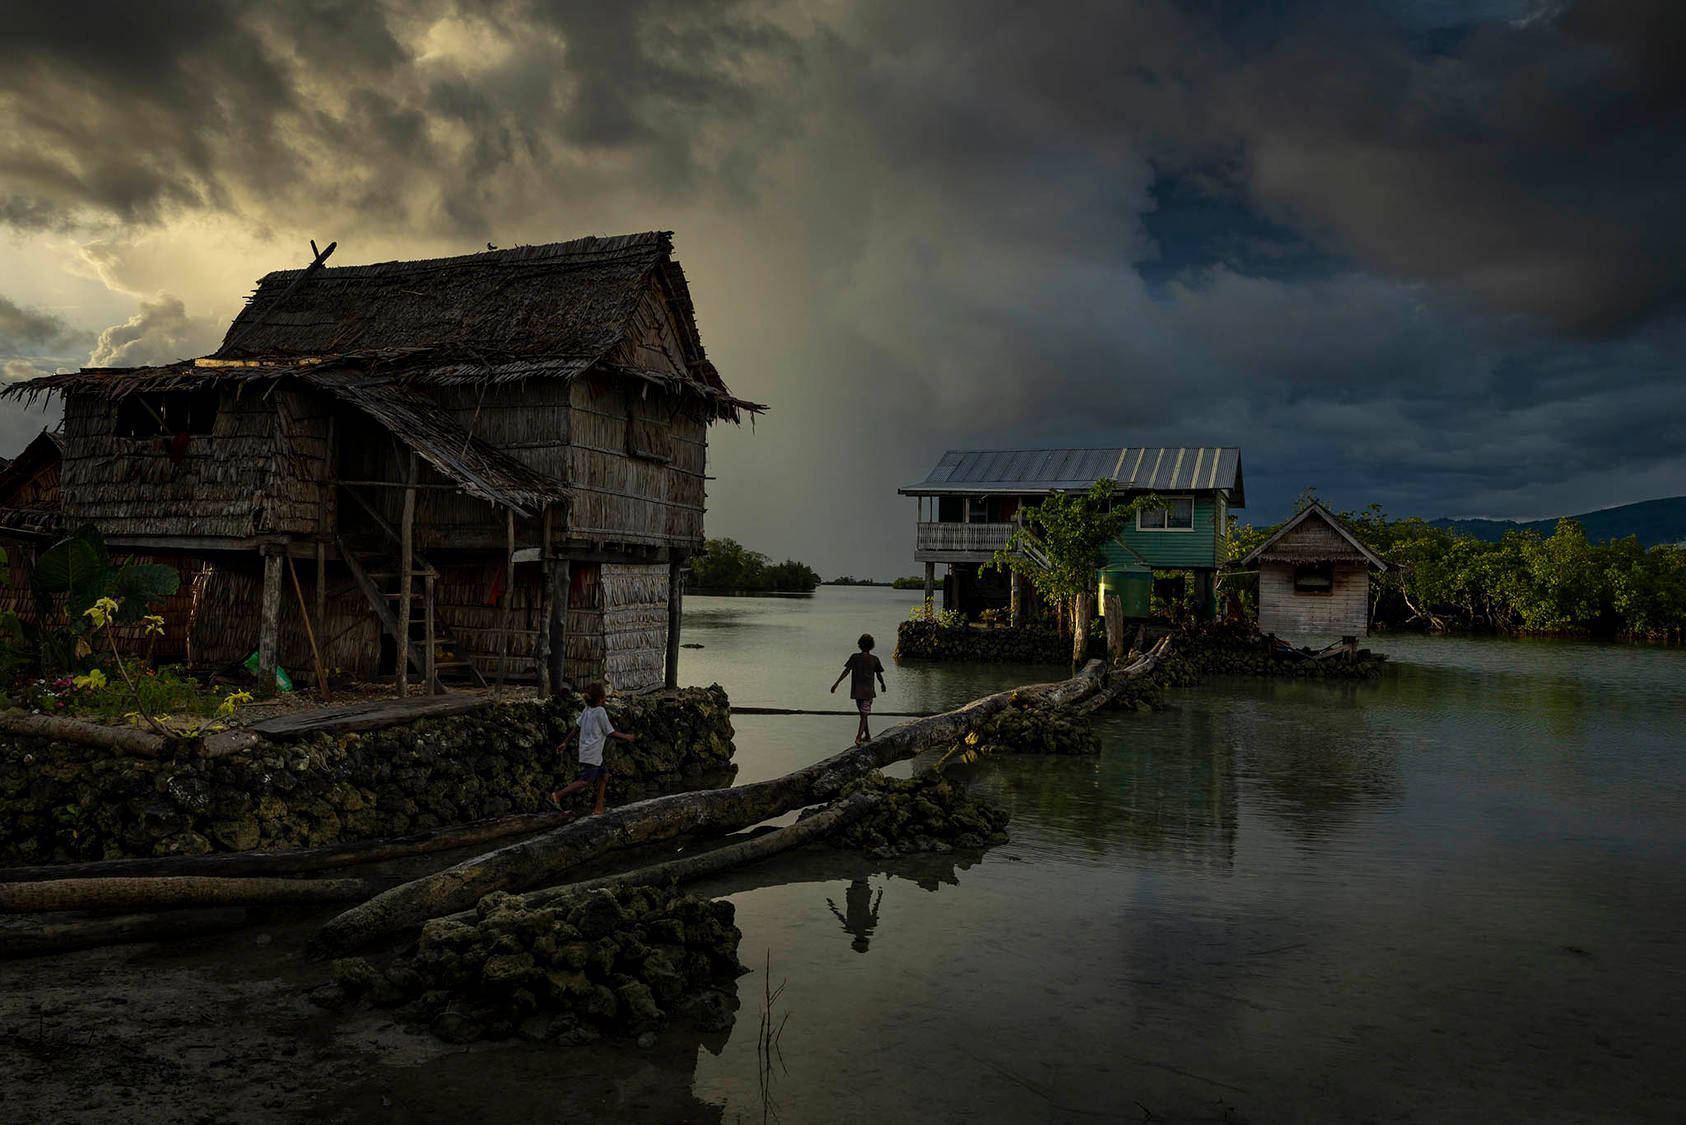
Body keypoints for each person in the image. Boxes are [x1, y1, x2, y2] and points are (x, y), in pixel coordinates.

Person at [550, 682, 636, 816]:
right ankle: (558, 795)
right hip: (592, 754)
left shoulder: (586, 710)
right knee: (585, 780)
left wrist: (565, 743)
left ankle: (599, 808)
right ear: (601, 699)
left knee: (604, 776)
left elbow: (576, 729)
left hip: (591, 753)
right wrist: (626, 737)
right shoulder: (600, 712)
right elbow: (609, 732)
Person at [830, 632, 887, 745]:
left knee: (863, 714)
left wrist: (836, 683)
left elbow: (846, 671)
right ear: (872, 646)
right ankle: (865, 737)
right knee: (863, 715)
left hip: (857, 691)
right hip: (868, 692)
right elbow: (879, 674)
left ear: (859, 645)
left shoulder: (855, 657)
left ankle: (860, 737)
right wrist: (883, 684)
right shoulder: (874, 659)